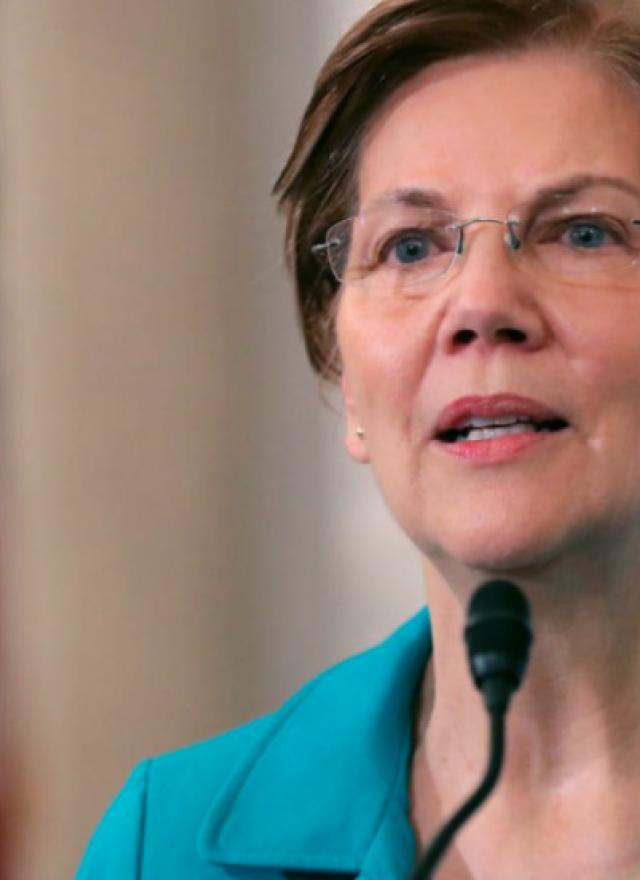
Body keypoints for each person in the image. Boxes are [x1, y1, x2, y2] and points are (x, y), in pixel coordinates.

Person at [76, 0, 640, 877]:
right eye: (411, 247)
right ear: (346, 386)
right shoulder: (167, 844)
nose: (483, 305)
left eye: (584, 233)